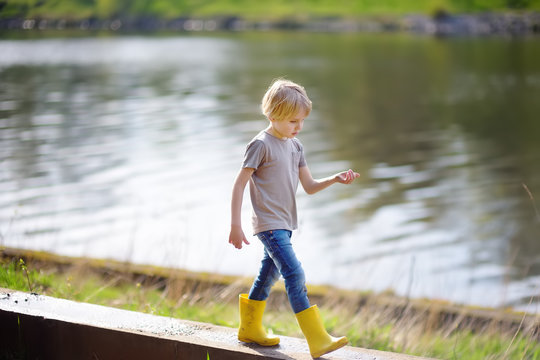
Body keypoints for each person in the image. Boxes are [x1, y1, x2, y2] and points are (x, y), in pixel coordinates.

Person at [228, 78, 360, 358]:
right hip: (268, 225)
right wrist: (235, 225)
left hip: (286, 225)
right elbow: (239, 183)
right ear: (272, 115)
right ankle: (317, 338)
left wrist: (335, 179)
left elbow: (309, 186)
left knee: (268, 275)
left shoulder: (296, 146)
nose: (298, 127)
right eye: (292, 121)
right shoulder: (260, 145)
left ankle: (249, 329)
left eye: (301, 121)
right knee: (294, 273)